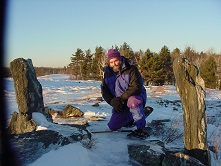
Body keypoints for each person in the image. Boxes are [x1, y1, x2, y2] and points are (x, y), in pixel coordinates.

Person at [101, 49, 148, 139]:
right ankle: (131, 118)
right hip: (121, 102)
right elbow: (104, 91)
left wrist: (121, 99)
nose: (114, 64)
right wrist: (112, 101)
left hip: (135, 98)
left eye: (116, 61)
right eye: (111, 62)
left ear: (120, 59)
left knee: (132, 101)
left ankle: (141, 128)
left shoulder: (131, 69)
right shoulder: (107, 74)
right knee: (113, 126)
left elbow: (136, 87)